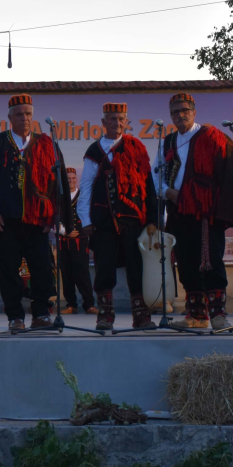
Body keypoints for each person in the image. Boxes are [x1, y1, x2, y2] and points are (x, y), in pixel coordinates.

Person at [154, 92, 233, 330]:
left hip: (206, 213)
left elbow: (229, 177)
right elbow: (156, 175)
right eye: (175, 112)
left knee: (210, 261)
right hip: (178, 211)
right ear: (170, 115)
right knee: (186, 262)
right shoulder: (167, 142)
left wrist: (220, 211)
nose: (180, 115)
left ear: (194, 112)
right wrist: (166, 191)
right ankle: (196, 316)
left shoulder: (214, 138)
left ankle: (218, 315)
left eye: (184, 110)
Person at [0, 94, 61, 333]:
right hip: (6, 219)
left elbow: (54, 183)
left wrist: (51, 216)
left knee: (42, 268)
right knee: (8, 270)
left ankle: (41, 314)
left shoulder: (46, 143)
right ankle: (15, 316)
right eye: (19, 114)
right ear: (9, 117)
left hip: (37, 220)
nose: (24, 118)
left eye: (28, 114)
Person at [77, 102, 157, 331]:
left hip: (134, 221)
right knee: (104, 268)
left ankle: (141, 316)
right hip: (103, 222)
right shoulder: (94, 151)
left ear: (126, 121)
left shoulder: (137, 148)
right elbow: (86, 187)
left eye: (121, 118)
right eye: (112, 119)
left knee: (136, 268)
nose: (117, 122)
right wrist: (86, 220)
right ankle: (105, 315)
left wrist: (152, 219)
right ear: (103, 122)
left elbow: (147, 186)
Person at [57, 167, 96, 315]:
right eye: (68, 179)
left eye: (73, 178)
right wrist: (64, 231)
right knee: (66, 273)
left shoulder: (84, 196)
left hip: (81, 241)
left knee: (82, 273)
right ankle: (71, 305)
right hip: (64, 241)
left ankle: (89, 304)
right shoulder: (59, 196)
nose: (71, 181)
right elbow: (54, 216)